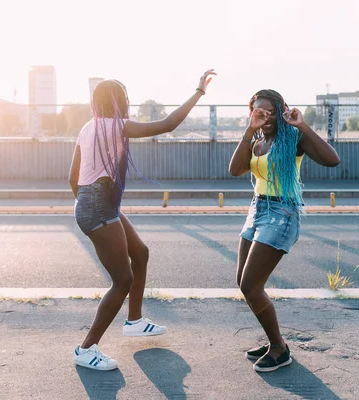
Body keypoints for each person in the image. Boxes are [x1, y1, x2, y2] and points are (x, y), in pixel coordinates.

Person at [68, 70, 216, 371]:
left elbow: (72, 178)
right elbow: (168, 124)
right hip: (99, 205)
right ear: (120, 102)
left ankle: (134, 320)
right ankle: (86, 349)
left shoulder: (88, 128)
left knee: (140, 253)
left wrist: (89, 201)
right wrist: (198, 92)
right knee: (122, 280)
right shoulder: (116, 126)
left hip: (96, 201)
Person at [228, 89, 340, 373]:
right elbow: (235, 169)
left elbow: (331, 159)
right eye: (258, 111)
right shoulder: (257, 139)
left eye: (270, 111)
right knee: (243, 282)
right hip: (257, 209)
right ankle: (274, 343)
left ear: (281, 111)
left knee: (251, 285)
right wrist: (249, 130)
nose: (265, 117)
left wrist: (301, 124)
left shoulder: (293, 139)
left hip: (282, 213)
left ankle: (279, 348)